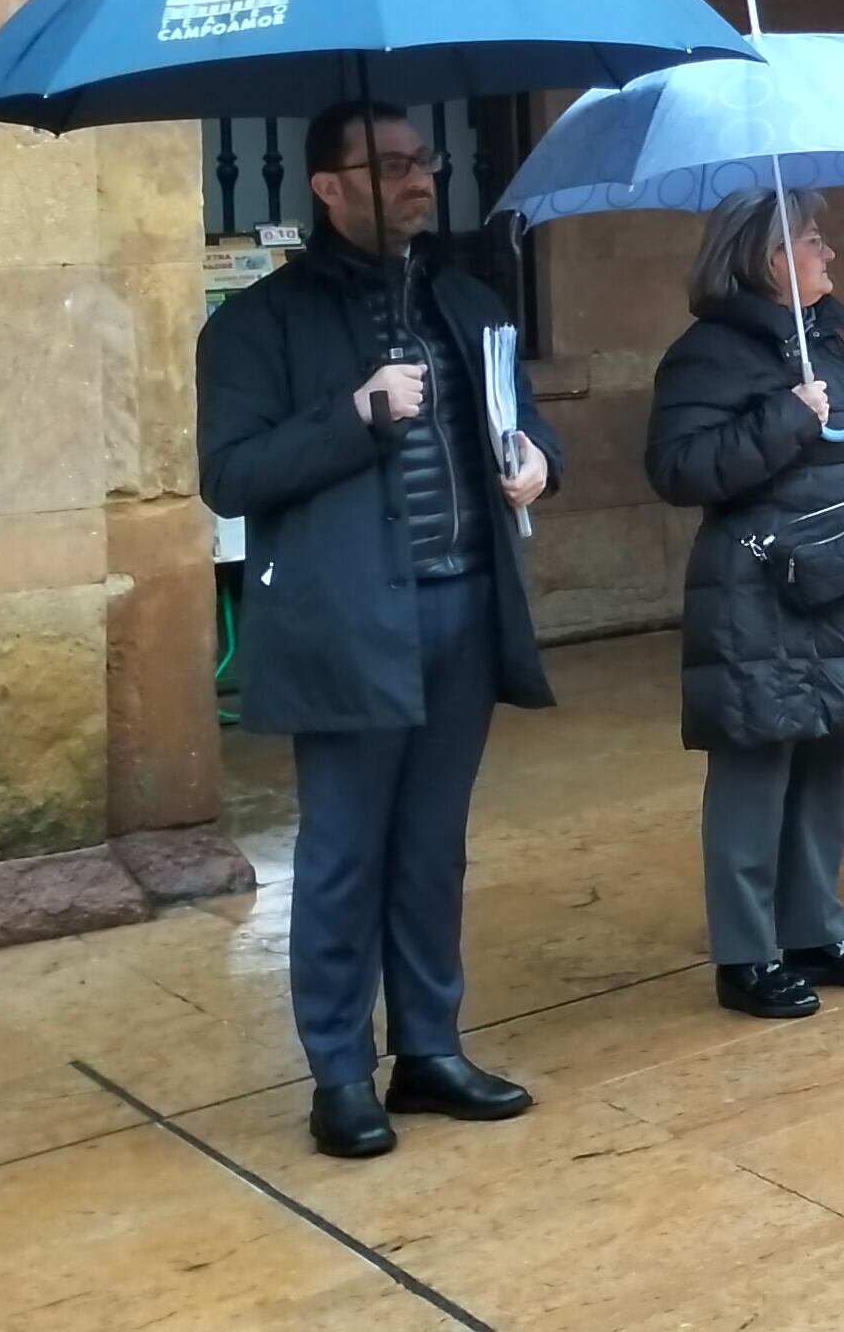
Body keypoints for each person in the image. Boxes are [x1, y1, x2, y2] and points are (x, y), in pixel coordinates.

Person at [200, 101, 560, 1159]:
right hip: (349, 618)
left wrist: (541, 460)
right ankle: (340, 1071)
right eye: (392, 164)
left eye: (425, 160)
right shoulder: (256, 325)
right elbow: (231, 471)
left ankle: (432, 1048)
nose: (419, 180)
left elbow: (522, 422)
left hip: (463, 602)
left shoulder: (468, 300)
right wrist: (356, 414)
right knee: (346, 852)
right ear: (327, 185)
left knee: (430, 848)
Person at [643, 190, 844, 1020]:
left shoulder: (827, 341)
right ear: (768, 256)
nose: (829, 253)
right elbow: (679, 469)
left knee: (830, 761)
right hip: (761, 594)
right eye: (811, 239)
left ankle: (815, 930)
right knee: (755, 772)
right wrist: (782, 418)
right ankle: (746, 952)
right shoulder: (708, 354)